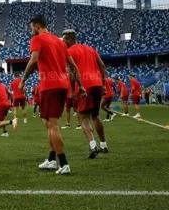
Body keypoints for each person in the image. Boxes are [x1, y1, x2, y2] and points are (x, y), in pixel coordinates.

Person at [19, 16, 84, 175]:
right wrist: (80, 86)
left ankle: (64, 163)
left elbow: (34, 60)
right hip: (62, 85)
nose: (31, 30)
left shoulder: (37, 39)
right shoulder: (59, 42)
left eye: (31, 27)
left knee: (53, 125)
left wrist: (23, 80)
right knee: (48, 123)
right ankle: (51, 159)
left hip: (50, 86)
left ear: (36, 26)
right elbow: (73, 65)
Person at [62, 29, 108, 158]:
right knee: (96, 115)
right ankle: (104, 145)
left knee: (83, 117)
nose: (63, 42)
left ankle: (93, 146)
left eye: (64, 39)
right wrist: (103, 84)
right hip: (97, 83)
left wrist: (72, 89)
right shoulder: (90, 49)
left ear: (70, 39)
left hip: (84, 85)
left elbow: (72, 73)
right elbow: (102, 65)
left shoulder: (69, 52)